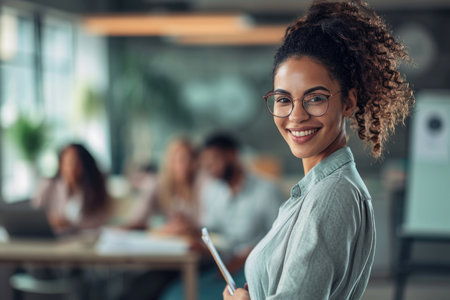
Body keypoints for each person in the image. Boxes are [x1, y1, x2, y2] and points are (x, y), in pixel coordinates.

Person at [224, 1, 414, 299]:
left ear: (348, 102)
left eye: (315, 99)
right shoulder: (320, 188)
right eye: (284, 100)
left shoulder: (332, 194)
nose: (296, 116)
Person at [161, 132, 283, 300]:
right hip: (223, 270)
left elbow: (280, 241)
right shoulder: (214, 191)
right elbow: (213, 232)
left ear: (232, 155)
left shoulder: (267, 191)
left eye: (214, 160)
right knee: (173, 294)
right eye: (205, 163)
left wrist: (241, 259)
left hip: (251, 272)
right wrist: (194, 233)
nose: (210, 167)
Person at [122, 137, 200, 235]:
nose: (189, 165)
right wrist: (163, 230)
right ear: (170, 162)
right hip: (168, 240)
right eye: (182, 159)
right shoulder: (157, 185)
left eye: (192, 159)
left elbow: (209, 223)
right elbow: (137, 220)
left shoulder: (202, 185)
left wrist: (190, 227)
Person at [33, 143, 111, 231]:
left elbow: (98, 222)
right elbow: (35, 216)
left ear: (85, 165)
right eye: (67, 163)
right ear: (60, 164)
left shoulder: (95, 188)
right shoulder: (48, 185)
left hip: (82, 239)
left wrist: (69, 224)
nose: (71, 168)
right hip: (52, 238)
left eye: (76, 163)